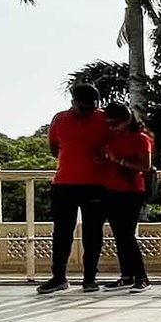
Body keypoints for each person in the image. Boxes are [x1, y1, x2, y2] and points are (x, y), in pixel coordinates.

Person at [39, 84, 110, 294]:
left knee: (93, 233)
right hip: (64, 184)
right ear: (73, 103)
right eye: (84, 107)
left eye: (93, 107)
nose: (89, 111)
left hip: (96, 184)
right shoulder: (59, 119)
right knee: (61, 232)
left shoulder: (104, 119)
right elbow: (54, 148)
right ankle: (59, 277)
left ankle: (90, 278)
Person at [99, 103, 154, 292]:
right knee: (119, 236)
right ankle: (127, 275)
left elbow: (145, 165)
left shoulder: (140, 138)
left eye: (115, 124)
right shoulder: (111, 138)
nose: (112, 127)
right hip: (110, 189)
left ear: (127, 120)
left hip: (131, 191)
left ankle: (141, 276)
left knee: (127, 236)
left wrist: (120, 161)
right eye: (109, 124)